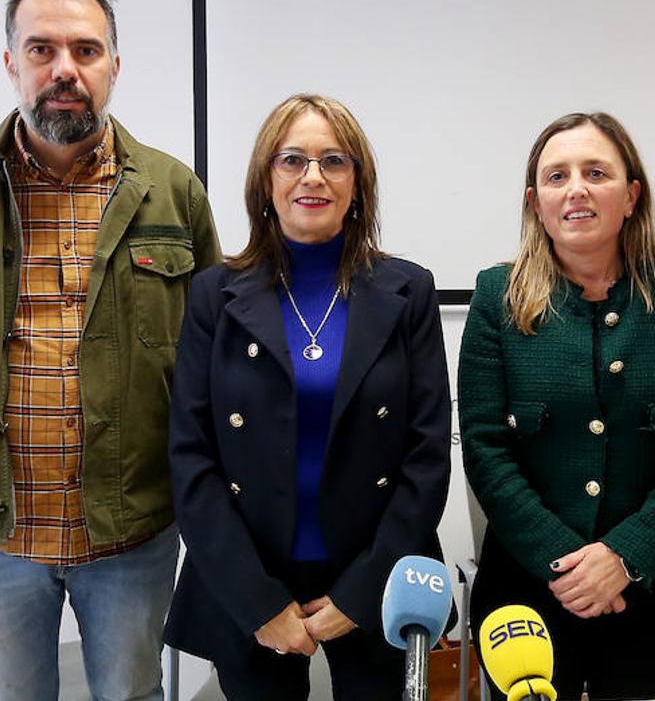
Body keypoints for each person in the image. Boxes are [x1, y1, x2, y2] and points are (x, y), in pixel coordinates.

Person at [0, 0, 221, 700]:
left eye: (85, 50)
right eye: (41, 49)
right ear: (11, 64)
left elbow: (209, 347)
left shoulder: (172, 189)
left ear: (114, 67)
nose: (64, 69)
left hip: (130, 535)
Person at [163, 93, 452, 700]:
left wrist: (363, 590)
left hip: (375, 572)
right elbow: (192, 457)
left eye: (334, 161)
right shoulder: (214, 294)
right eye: (292, 160)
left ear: (358, 183)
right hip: (251, 578)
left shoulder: (409, 291)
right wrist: (256, 600)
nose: (313, 177)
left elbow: (425, 457)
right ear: (265, 180)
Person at [459, 112, 655, 699]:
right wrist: (565, 561)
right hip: (527, 593)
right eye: (557, 176)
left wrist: (625, 556)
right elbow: (484, 447)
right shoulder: (494, 299)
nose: (576, 188)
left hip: (652, 589)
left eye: (596, 172)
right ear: (536, 201)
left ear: (631, 195)